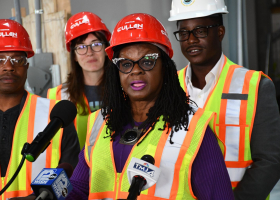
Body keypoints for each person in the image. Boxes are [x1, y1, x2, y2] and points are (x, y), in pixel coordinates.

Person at [63, 13, 234, 200]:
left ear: (165, 68)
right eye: (126, 64)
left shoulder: (193, 129)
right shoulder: (100, 122)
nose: (136, 70)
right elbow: (80, 189)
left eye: (147, 61)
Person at [168, 0, 280, 199]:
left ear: (220, 32)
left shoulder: (256, 86)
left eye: (199, 31)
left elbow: (270, 161)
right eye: (184, 33)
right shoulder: (168, 88)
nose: (191, 40)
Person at [0, 19, 80, 199]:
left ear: (27, 66)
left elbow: (73, 179)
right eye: (0, 59)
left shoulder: (56, 117)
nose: (8, 67)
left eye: (17, 59)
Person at [47, 12, 111, 149]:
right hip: (74, 168)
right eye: (81, 47)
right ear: (74, 56)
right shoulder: (57, 96)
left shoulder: (124, 91)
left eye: (96, 44)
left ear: (106, 49)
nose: (89, 52)